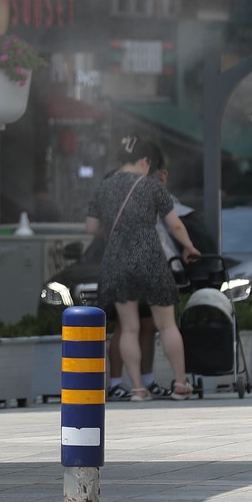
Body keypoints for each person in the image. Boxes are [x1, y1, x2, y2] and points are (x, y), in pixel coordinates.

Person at [85, 137, 200, 403]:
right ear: (145, 162)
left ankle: (137, 388)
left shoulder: (104, 187)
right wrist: (189, 248)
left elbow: (90, 228)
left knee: (129, 328)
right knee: (167, 324)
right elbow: (175, 225)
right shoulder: (152, 187)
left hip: (116, 259)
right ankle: (181, 383)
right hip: (149, 256)